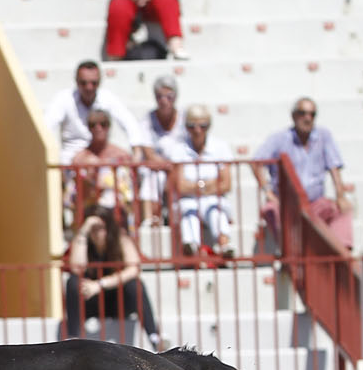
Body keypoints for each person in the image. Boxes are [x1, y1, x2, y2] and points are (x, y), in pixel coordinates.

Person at [254, 97, 355, 252]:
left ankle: (341, 256)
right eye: (303, 113)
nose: (308, 118)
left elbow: (334, 166)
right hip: (285, 204)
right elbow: (256, 162)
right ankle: (289, 253)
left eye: (312, 114)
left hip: (315, 204)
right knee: (271, 210)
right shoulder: (279, 139)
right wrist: (268, 192)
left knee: (343, 209)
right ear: (293, 116)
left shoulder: (324, 136)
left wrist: (340, 196)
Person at [62, 203, 163, 349]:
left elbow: (133, 269)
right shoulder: (83, 242)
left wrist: (100, 284)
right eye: (93, 229)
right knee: (72, 282)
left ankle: (155, 338)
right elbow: (76, 268)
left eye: (101, 228)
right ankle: (72, 338)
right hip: (91, 301)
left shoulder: (120, 239)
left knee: (135, 285)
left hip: (117, 301)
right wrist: (84, 231)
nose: (97, 233)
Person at [162, 104, 234, 261]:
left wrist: (195, 186)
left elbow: (226, 184)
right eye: (191, 126)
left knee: (216, 208)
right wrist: (208, 185)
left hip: (211, 199)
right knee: (189, 210)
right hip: (187, 200)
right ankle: (191, 248)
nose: (197, 130)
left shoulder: (220, 147)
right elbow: (179, 186)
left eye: (203, 125)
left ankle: (224, 245)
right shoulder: (178, 149)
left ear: (209, 126)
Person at [43, 61, 148, 165]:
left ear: (100, 82)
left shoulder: (107, 97)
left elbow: (128, 121)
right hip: (72, 161)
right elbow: (46, 126)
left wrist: (136, 151)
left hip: (102, 157)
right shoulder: (64, 98)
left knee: (124, 160)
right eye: (83, 83)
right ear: (76, 81)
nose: (89, 87)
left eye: (94, 83)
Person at [69, 108, 135, 222]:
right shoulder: (80, 158)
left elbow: (128, 188)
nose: (98, 128)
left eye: (103, 124)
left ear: (108, 126)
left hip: (117, 211)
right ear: (88, 128)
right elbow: (75, 190)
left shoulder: (122, 156)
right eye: (93, 125)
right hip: (90, 210)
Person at [136, 74, 182, 226]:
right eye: (159, 96)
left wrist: (173, 168)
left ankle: (173, 218)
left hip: (177, 168)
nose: (164, 100)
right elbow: (149, 154)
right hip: (157, 168)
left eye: (169, 96)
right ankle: (150, 219)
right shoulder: (146, 120)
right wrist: (169, 166)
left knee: (174, 177)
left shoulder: (183, 120)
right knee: (153, 178)